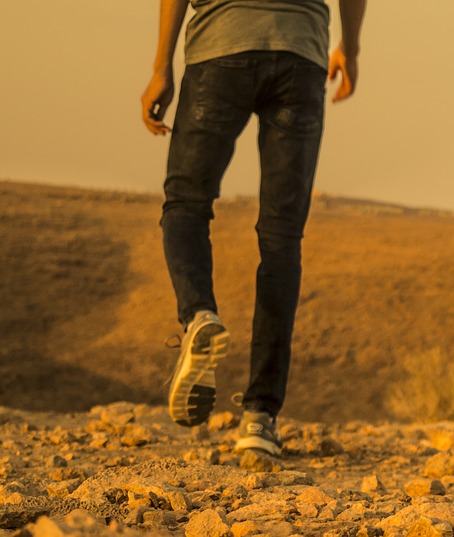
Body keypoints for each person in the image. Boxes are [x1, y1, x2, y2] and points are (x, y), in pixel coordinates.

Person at [140, 0, 367, 456]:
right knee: (282, 236)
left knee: (186, 201)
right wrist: (351, 47)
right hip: (301, 56)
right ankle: (260, 418)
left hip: (220, 49)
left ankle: (199, 316)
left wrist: (161, 66)